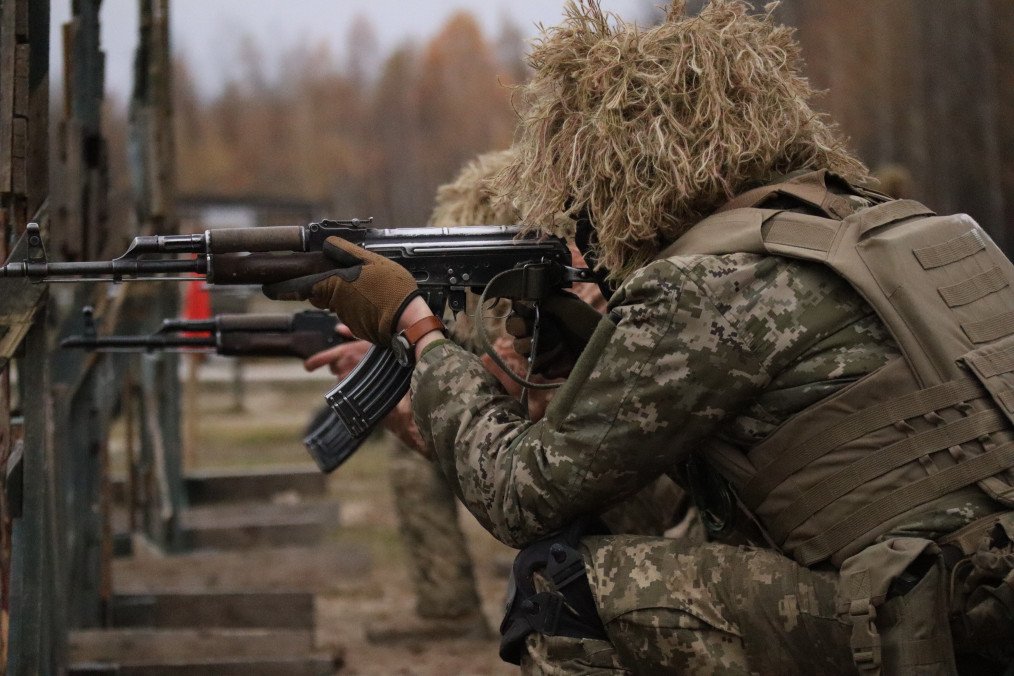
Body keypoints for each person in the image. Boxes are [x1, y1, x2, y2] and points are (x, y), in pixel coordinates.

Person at [284, 3, 1014, 669]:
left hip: (940, 619)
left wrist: (417, 331)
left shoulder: (711, 283)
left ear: (635, 166)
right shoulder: (923, 233)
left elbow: (523, 499)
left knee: (562, 590)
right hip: (981, 579)